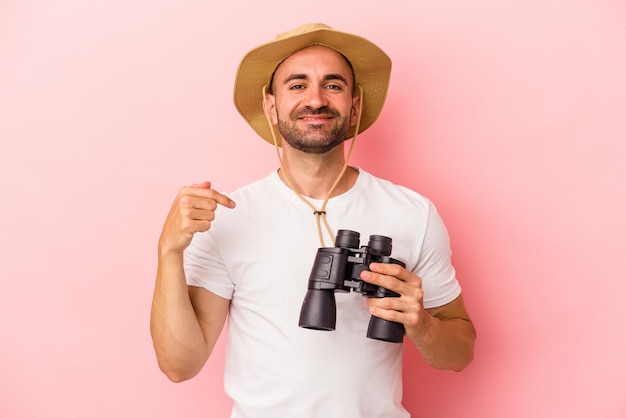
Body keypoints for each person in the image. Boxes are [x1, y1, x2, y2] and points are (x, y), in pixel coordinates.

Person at [150, 23, 476, 417]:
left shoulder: (412, 212)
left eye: (333, 85)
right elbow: (179, 365)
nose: (316, 99)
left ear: (354, 106)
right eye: (298, 85)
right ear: (271, 105)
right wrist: (169, 251)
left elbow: (459, 354)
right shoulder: (230, 216)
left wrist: (422, 325)